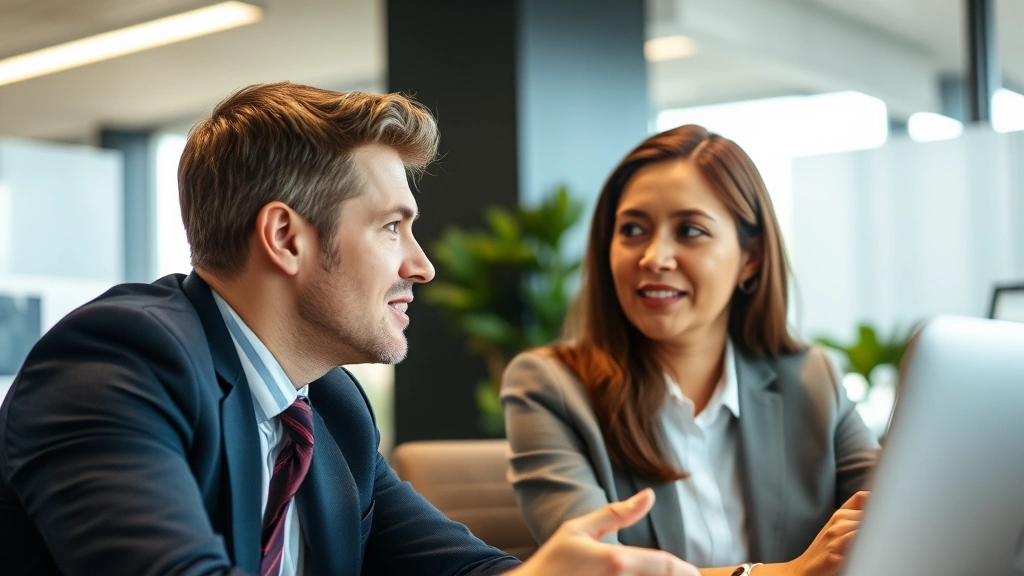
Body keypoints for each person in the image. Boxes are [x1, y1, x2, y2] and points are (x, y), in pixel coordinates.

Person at [0, 83, 700, 576]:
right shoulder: (118, 364)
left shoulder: (329, 411)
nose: (422, 266)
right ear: (285, 237)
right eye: (392, 227)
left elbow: (458, 569)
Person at [501, 125, 881, 576]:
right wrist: (782, 574)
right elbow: (597, 570)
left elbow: (892, 520)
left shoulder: (811, 378)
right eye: (634, 229)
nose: (655, 257)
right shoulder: (549, 387)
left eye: (690, 230)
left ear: (751, 258)